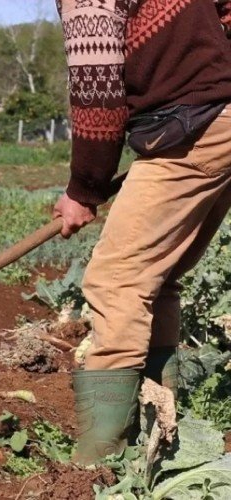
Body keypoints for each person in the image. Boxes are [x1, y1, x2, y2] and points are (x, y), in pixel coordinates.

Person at [53, 0, 231, 464]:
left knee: (118, 280)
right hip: (217, 120)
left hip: (194, 126)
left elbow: (98, 91)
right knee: (159, 274)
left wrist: (83, 188)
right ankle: (158, 429)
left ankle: (96, 460)